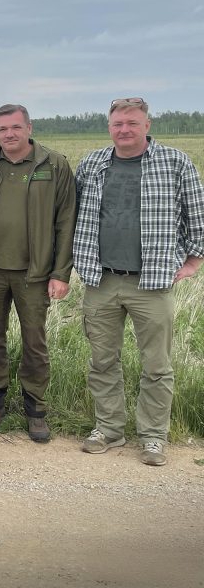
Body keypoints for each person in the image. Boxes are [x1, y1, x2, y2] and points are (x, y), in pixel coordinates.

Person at [74, 97, 204, 466]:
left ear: (147, 125)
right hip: (102, 281)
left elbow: (198, 215)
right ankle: (109, 429)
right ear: (109, 127)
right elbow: (75, 213)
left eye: (132, 123)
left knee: (157, 366)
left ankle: (153, 437)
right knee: (102, 361)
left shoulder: (175, 163)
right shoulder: (93, 163)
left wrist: (194, 261)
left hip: (153, 283)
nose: (124, 129)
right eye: (118, 124)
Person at [0, 104, 76, 443]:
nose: (9, 134)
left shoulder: (53, 165)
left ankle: (36, 409)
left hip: (36, 273)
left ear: (29, 127)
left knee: (35, 342)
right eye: (2, 129)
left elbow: (65, 221)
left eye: (15, 127)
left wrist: (60, 272)